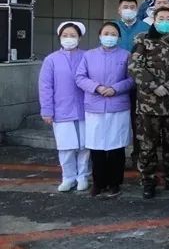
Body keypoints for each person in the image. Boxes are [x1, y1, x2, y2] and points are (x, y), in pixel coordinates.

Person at [128, 8, 169, 199]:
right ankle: (148, 181)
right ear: (154, 20)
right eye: (161, 18)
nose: (165, 21)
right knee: (147, 146)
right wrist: (153, 86)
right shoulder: (143, 40)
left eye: (168, 18)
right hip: (149, 105)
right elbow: (134, 66)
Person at [74, 22, 134, 197]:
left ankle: (115, 183)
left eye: (113, 34)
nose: (109, 37)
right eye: (106, 33)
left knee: (116, 146)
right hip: (95, 106)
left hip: (118, 105)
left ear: (119, 37)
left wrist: (116, 88)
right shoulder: (89, 55)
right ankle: (98, 183)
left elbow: (132, 79)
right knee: (96, 146)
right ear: (100, 36)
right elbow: (80, 77)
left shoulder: (126, 55)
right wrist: (97, 87)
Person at [39, 21, 89, 192]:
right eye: (65, 35)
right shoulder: (51, 59)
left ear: (79, 38)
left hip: (85, 109)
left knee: (84, 146)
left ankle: (83, 176)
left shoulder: (87, 56)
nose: (69, 38)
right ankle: (68, 177)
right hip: (61, 110)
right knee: (66, 147)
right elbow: (45, 86)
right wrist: (47, 110)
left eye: (73, 35)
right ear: (59, 37)